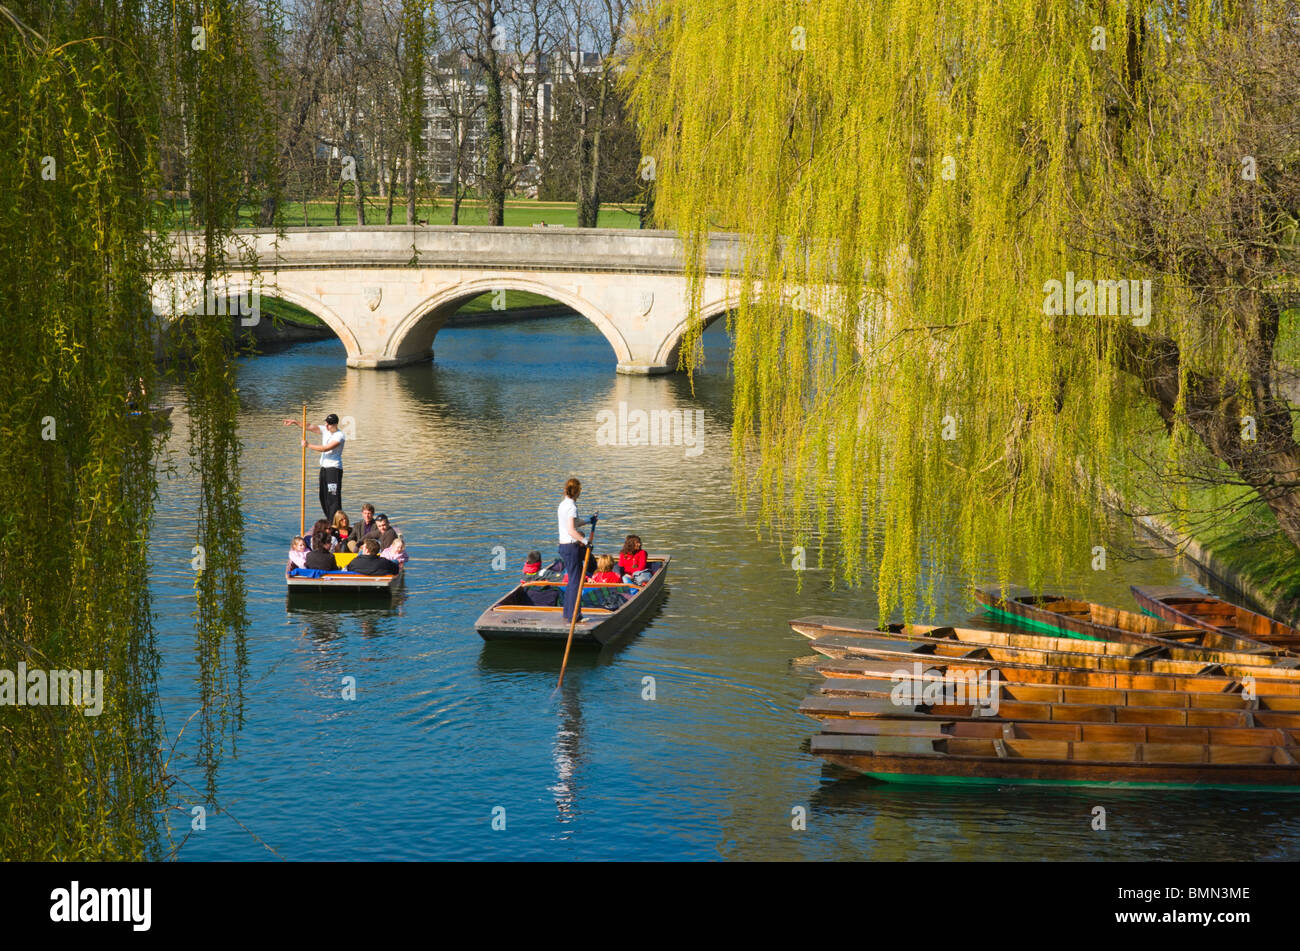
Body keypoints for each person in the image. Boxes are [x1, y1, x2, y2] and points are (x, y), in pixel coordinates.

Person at [284, 413, 346, 520]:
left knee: (333, 497)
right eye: (326, 423)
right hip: (324, 468)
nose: (327, 426)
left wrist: (308, 445)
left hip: (334, 469)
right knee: (323, 497)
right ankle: (330, 520)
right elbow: (309, 427)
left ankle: (336, 524)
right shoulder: (325, 430)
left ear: (335, 424)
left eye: (329, 424)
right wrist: (295, 422)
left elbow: (326, 448)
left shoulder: (340, 436)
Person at [556, 477, 597, 622]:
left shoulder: (562, 504)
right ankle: (575, 615)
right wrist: (586, 542)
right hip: (571, 546)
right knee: (576, 581)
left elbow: (573, 523)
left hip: (563, 546)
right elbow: (572, 530)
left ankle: (568, 613)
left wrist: (588, 520)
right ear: (577, 491)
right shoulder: (572, 507)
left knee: (573, 580)